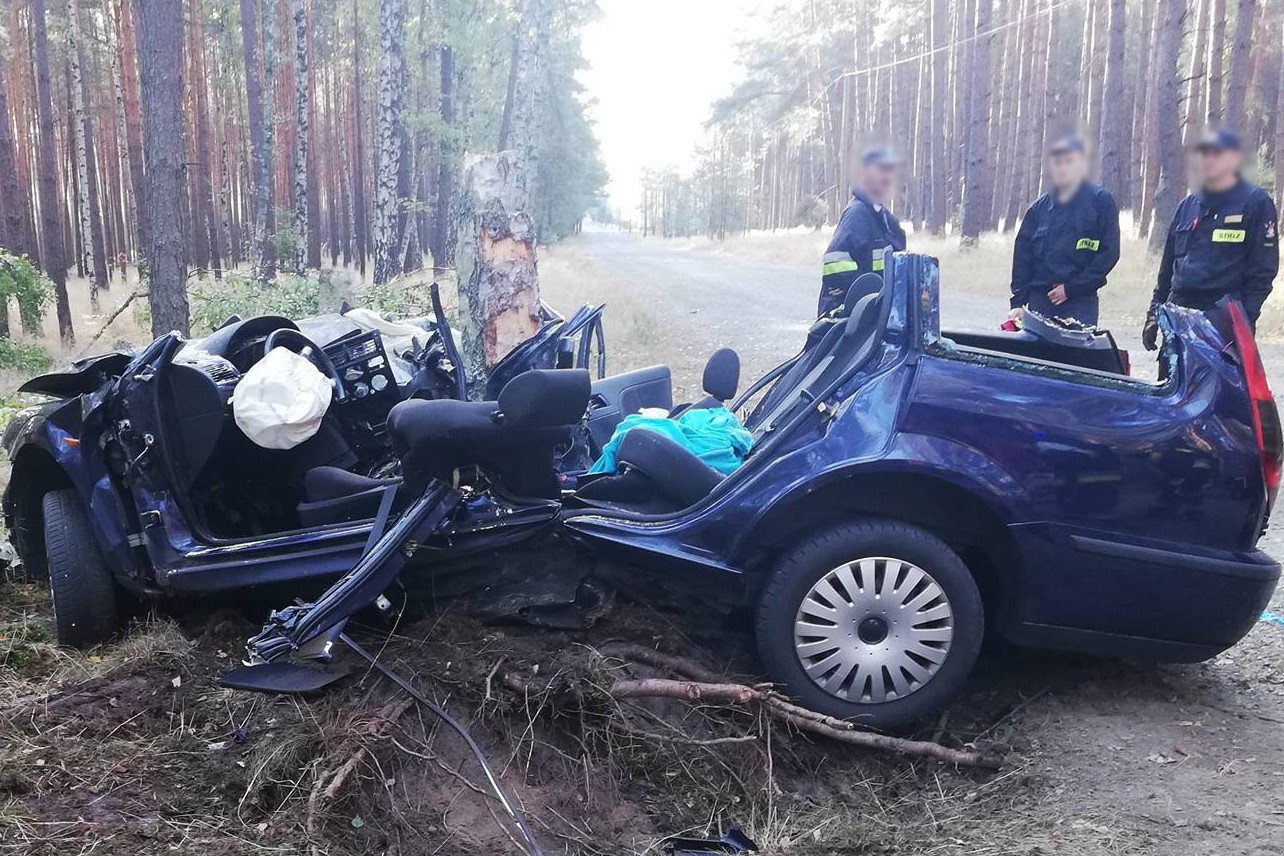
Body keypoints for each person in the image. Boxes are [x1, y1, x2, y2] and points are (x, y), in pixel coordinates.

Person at [1145, 128, 1280, 349]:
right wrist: (1154, 313)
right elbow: (1167, 270)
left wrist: (1243, 320)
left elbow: (1262, 272)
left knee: (1218, 384)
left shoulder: (1255, 203)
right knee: (1176, 383)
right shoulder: (1188, 206)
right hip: (1178, 316)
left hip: (1223, 321)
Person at [1008, 137, 1120, 326]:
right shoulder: (1038, 209)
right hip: (1040, 302)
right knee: (1037, 355)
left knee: (1075, 356)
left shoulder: (1100, 202)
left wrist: (1071, 289)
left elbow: (1109, 254)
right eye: (1057, 163)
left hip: (1080, 302)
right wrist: (1018, 302)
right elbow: (1022, 258)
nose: (1062, 168)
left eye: (1069, 162)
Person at [818, 146, 907, 317]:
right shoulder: (858, 213)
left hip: (873, 313)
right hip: (850, 317)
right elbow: (834, 265)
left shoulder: (884, 218)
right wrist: (870, 290)